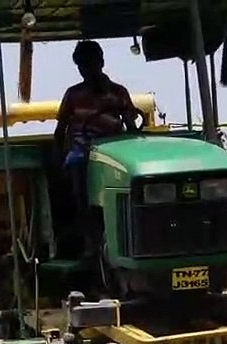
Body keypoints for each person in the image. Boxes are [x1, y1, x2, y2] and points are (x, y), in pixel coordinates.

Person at [53, 41, 142, 258]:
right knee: (77, 173)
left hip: (115, 150)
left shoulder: (119, 92)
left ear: (101, 62)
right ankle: (89, 238)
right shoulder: (73, 95)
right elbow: (61, 129)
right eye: (83, 65)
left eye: (91, 63)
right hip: (84, 152)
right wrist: (59, 157)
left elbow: (130, 125)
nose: (87, 69)